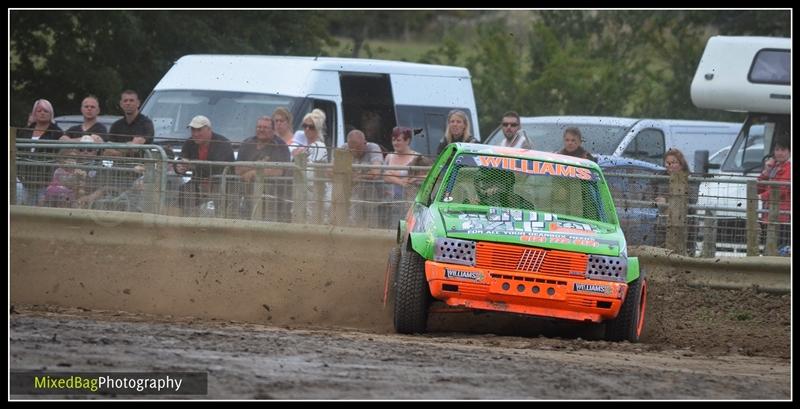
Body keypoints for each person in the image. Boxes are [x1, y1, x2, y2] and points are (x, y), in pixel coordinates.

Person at [176, 115, 235, 215]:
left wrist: (191, 165)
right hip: (198, 184)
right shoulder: (190, 143)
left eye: (199, 130)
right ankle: (185, 221)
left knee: (220, 209)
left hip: (221, 185)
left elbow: (217, 168)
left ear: (209, 130)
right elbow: (181, 158)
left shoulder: (222, 143)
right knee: (185, 190)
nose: (195, 134)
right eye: (193, 130)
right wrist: (179, 166)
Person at [236, 116, 291, 220]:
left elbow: (278, 171)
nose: (261, 130)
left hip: (273, 197)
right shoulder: (247, 143)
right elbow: (237, 169)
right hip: (247, 196)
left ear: (273, 130)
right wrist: (257, 165)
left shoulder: (280, 146)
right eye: (259, 127)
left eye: (265, 127)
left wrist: (253, 172)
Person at [16, 99, 64, 205]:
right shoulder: (25, 131)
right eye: (39, 110)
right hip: (24, 177)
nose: (42, 113)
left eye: (46, 111)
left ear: (51, 113)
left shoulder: (57, 132)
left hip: (45, 179)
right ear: (34, 113)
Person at [383, 126, 433, 226]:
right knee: (395, 227)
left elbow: (429, 175)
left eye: (398, 140)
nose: (395, 143)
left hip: (412, 201)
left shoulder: (417, 157)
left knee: (410, 227)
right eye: (393, 140)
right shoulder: (389, 157)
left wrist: (413, 178)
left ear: (407, 140)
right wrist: (401, 182)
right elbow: (385, 176)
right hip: (394, 201)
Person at [654, 148, 699, 253]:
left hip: (686, 222)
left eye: (673, 162)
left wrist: (667, 202)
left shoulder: (691, 179)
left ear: (681, 164)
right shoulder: (660, 178)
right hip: (663, 222)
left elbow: (692, 199)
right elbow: (652, 195)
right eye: (667, 162)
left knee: (683, 252)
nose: (669, 165)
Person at [343, 129, 384, 227]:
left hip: (375, 196)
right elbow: (330, 171)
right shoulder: (344, 148)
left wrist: (358, 177)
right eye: (352, 149)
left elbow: (376, 172)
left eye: (358, 148)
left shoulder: (373, 148)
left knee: (372, 225)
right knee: (352, 223)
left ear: (365, 143)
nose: (355, 152)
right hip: (352, 196)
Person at [757, 140, 791, 250]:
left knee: (780, 250)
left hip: (783, 218)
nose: (779, 153)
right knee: (771, 249)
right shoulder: (774, 168)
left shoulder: (789, 168)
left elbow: (781, 189)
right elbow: (758, 188)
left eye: (783, 150)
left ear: (790, 152)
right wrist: (766, 171)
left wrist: (761, 197)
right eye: (777, 150)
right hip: (770, 216)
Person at [106, 90, 154, 157]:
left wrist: (119, 151)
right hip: (118, 166)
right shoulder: (116, 126)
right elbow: (108, 150)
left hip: (141, 165)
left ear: (138, 103)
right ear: (121, 104)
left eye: (131, 100)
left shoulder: (146, 124)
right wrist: (129, 148)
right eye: (125, 101)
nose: (128, 103)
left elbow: (142, 141)